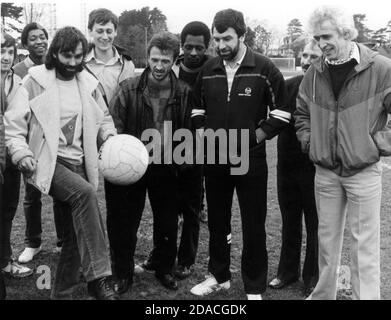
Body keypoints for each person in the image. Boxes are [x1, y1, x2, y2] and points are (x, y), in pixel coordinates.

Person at [5, 26, 118, 300]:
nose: (73, 62)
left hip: (80, 163)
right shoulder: (33, 81)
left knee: (74, 234)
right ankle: (99, 277)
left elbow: (102, 117)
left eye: (78, 56)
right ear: (55, 52)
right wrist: (21, 153)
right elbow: (13, 125)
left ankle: (61, 293)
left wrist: (111, 136)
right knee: (85, 194)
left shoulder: (87, 83)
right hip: (48, 163)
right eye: (67, 56)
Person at [190, 9, 290, 300]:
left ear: (242, 35)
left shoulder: (264, 67)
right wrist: (201, 131)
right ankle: (219, 276)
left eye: (227, 38)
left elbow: (283, 110)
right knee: (218, 220)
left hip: (251, 160)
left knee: (253, 222)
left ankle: (255, 286)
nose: (221, 45)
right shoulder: (209, 68)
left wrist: (257, 136)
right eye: (217, 39)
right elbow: (197, 108)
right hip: (215, 157)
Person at [294, 6, 391, 300]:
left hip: (363, 170)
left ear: (345, 33)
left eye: (326, 36)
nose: (321, 44)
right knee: (326, 241)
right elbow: (301, 115)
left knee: (364, 246)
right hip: (325, 171)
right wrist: (311, 143)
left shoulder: (381, 68)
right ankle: (324, 295)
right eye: (317, 37)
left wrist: (378, 144)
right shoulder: (314, 72)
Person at [107, 31, 193, 294]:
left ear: (174, 60)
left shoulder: (184, 91)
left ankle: (164, 269)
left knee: (167, 222)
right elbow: (112, 127)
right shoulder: (128, 88)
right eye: (154, 59)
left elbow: (188, 132)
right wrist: (122, 157)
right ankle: (122, 274)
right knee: (125, 222)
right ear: (148, 56)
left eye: (165, 61)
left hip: (166, 166)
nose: (158, 66)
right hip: (130, 167)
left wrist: (182, 166)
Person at [140, 21, 212, 280]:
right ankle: (160, 255)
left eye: (199, 47)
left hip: (197, 149)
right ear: (181, 47)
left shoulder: (213, 69)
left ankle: (186, 259)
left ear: (208, 46)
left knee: (192, 207)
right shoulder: (171, 67)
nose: (193, 52)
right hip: (165, 149)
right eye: (189, 47)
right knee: (165, 208)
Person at [268, 39, 322, 297]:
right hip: (287, 165)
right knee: (290, 221)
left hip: (316, 167)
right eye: (304, 54)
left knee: (315, 224)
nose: (306, 60)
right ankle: (286, 272)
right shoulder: (287, 87)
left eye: (313, 56)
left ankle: (312, 277)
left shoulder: (328, 91)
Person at [13, 22, 64, 263]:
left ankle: (64, 241)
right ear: (25, 44)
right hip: (31, 141)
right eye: (33, 38)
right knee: (32, 193)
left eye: (43, 36)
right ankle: (32, 242)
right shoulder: (18, 71)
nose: (40, 41)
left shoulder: (57, 66)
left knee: (61, 193)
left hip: (57, 141)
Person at [1, 33, 33, 279]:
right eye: (1, 51)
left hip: (8, 155)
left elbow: (16, 119)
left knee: (7, 209)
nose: (5, 57)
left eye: (10, 52)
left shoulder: (17, 82)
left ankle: (4, 260)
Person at [85, 8, 135, 105]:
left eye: (109, 31)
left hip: (121, 120)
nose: (104, 37)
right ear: (90, 31)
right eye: (100, 31)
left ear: (115, 32)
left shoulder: (128, 65)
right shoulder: (80, 65)